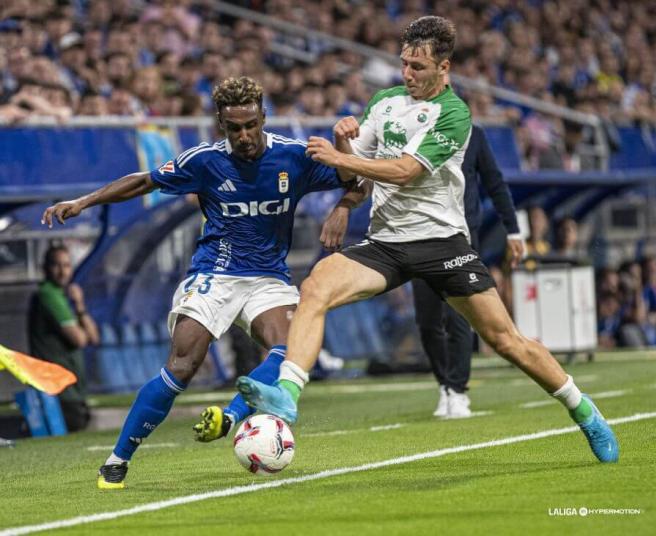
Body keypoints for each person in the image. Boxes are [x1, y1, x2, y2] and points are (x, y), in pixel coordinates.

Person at [235, 16, 619, 464]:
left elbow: (404, 171)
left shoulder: (455, 114)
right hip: (386, 244)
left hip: (442, 244)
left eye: (418, 67)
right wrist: (344, 148)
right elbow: (354, 175)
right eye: (404, 64)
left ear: (444, 67)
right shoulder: (384, 102)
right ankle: (287, 393)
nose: (407, 75)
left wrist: (344, 157)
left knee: (506, 341)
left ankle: (585, 411)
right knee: (317, 284)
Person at [41, 76, 360, 489]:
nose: (244, 136)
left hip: (268, 278)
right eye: (234, 128)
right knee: (182, 366)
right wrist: (83, 202)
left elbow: (358, 181)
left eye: (250, 125)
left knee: (291, 348)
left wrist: (343, 209)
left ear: (263, 117)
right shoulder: (204, 161)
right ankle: (117, 459)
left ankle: (228, 417)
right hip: (215, 273)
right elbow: (144, 181)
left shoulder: (295, 157)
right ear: (220, 126)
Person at [323, 124, 524, 418]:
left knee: (458, 316)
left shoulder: (471, 132)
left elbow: (494, 182)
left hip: (460, 235)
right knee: (428, 319)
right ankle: (444, 383)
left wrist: (514, 230)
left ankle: (458, 389)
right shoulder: (409, 128)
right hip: (419, 236)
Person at [28, 244, 100, 432]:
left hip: (71, 391)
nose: (63, 271)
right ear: (45, 268)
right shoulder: (48, 295)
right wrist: (81, 326)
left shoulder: (62, 295)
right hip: (59, 392)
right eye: (57, 265)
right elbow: (80, 339)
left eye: (67, 265)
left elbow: (94, 337)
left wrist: (79, 305)